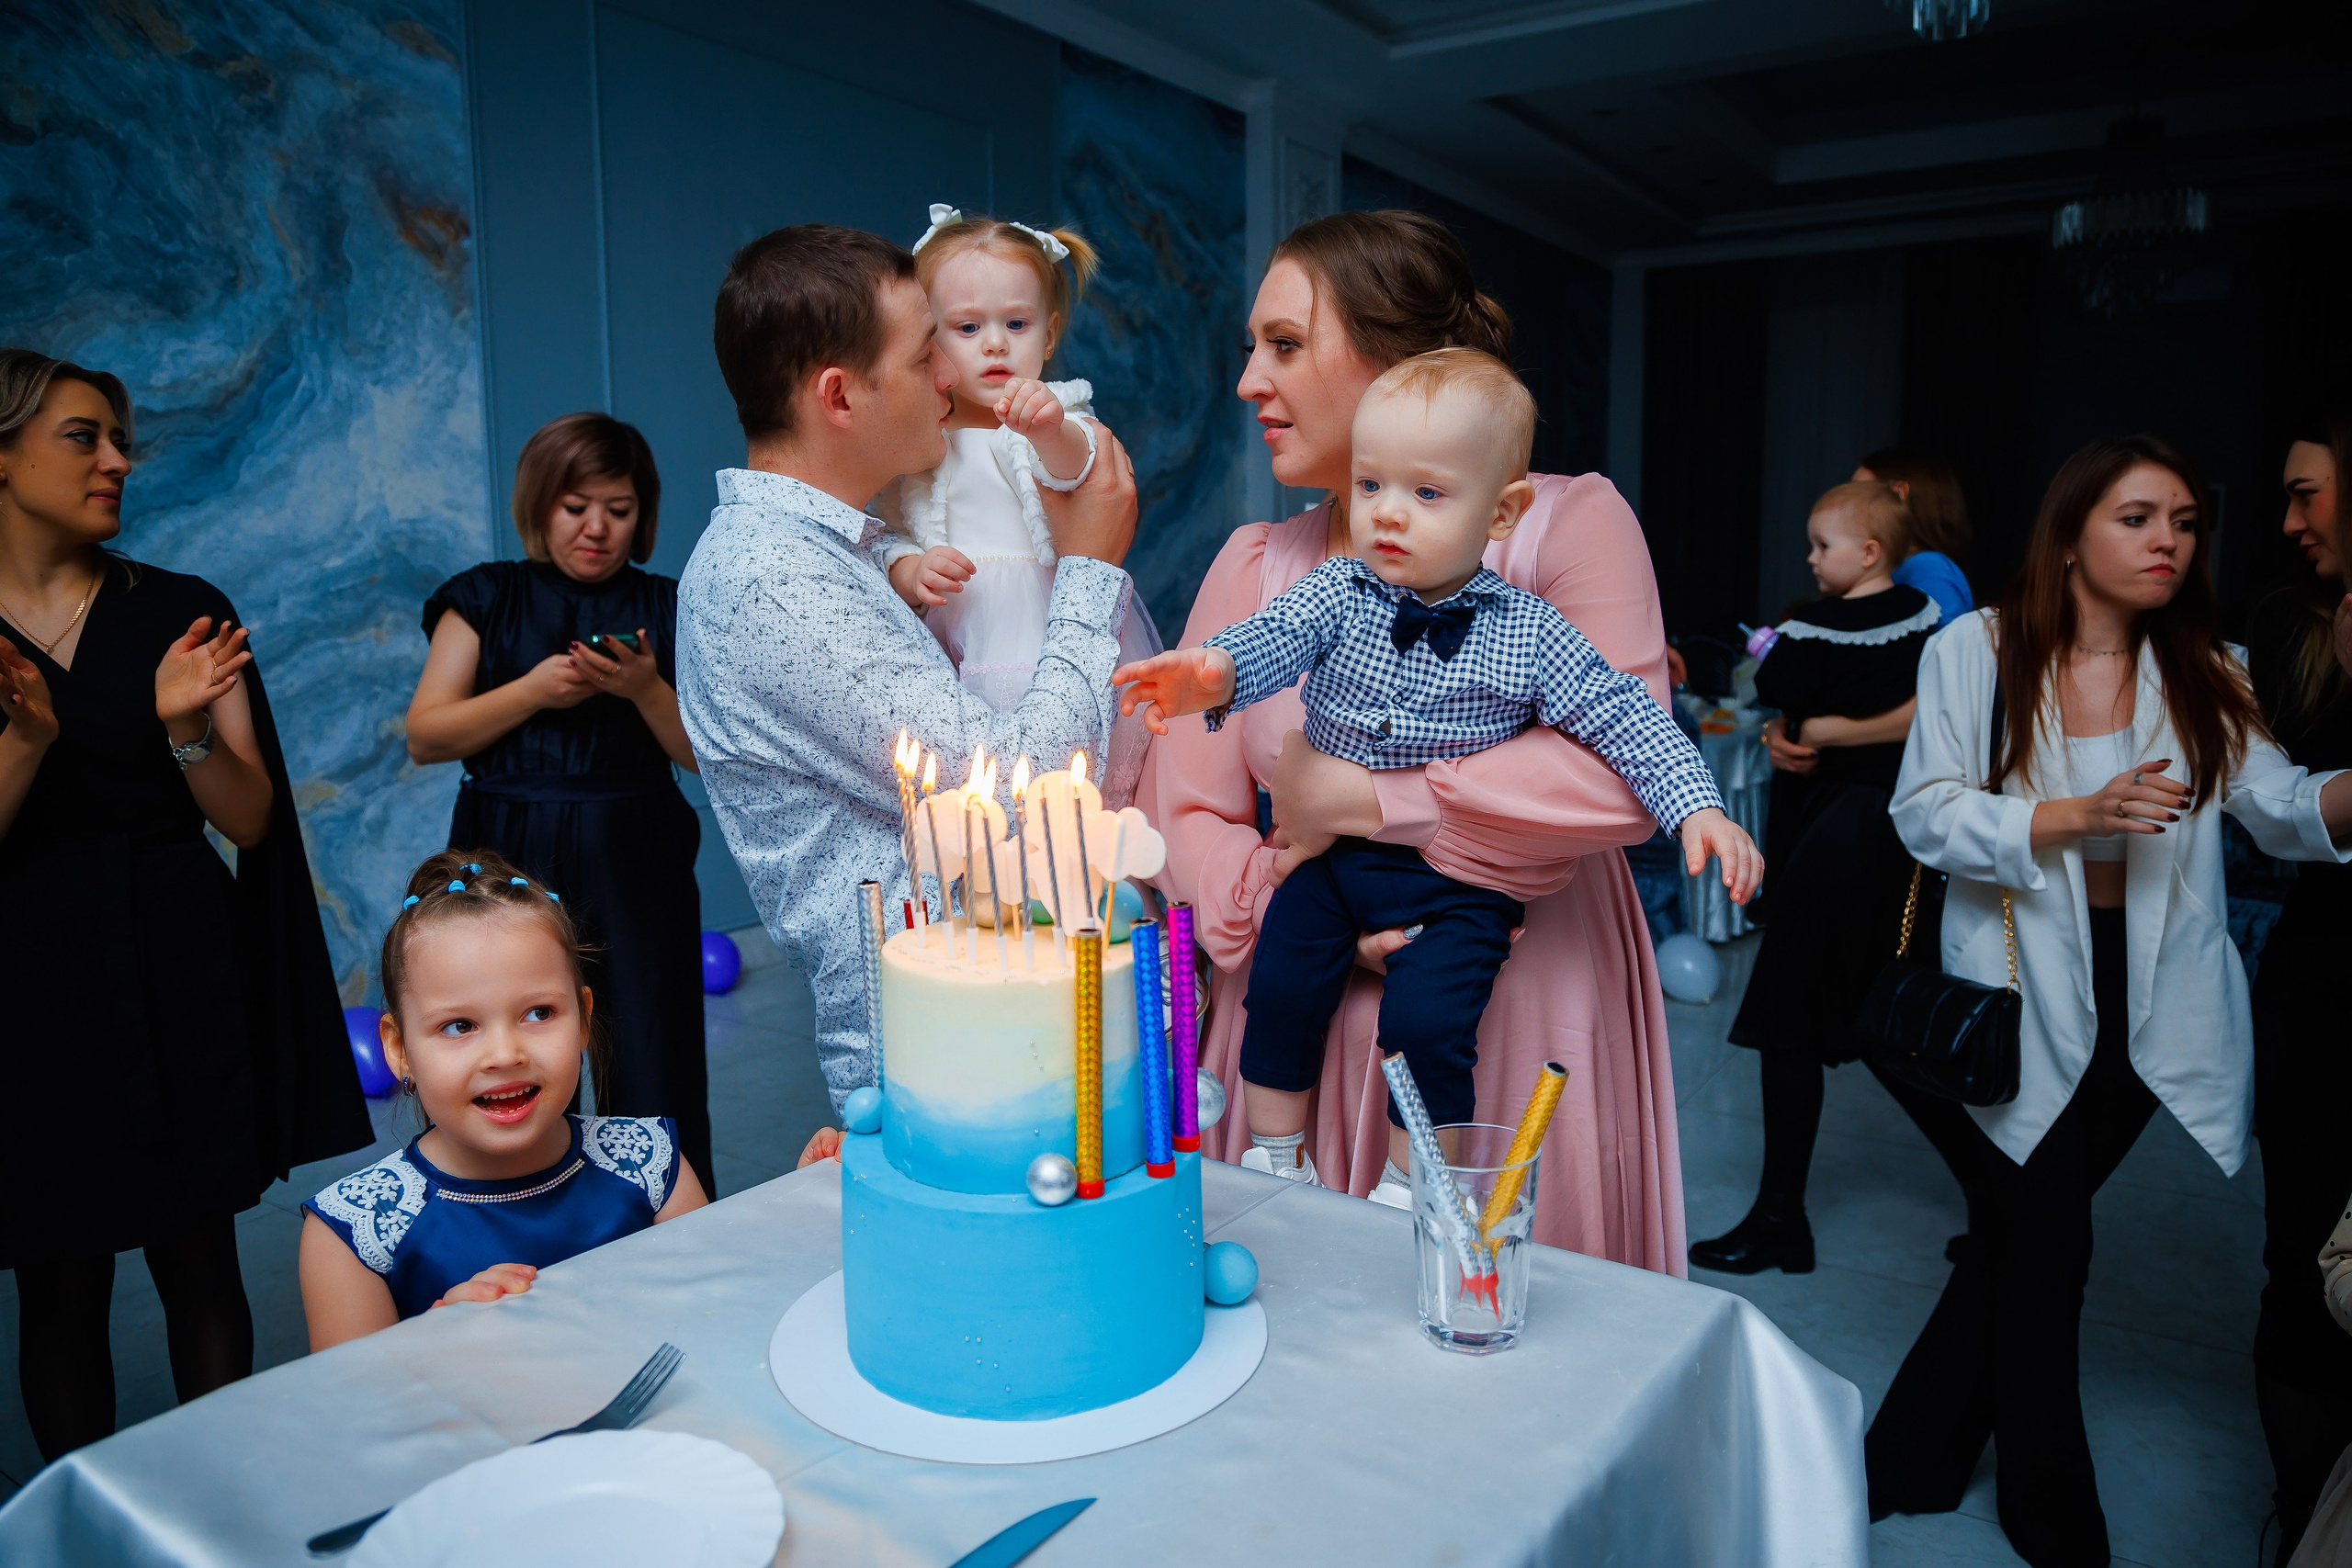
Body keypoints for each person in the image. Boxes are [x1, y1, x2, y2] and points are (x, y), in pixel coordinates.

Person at [1140, 209, 1694, 1272]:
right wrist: (1296, 904)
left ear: (1402, 360)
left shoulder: (1561, 526)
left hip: (1511, 998)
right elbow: (1184, 809)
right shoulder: (1255, 565)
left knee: (1485, 1326)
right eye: (1251, 348)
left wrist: (1367, 807)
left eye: (1287, 345)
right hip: (1300, 1002)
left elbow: (1621, 773)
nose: (1251, 381)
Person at [1870, 435, 2352, 1566]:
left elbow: (2280, 805)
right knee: (2046, 1243)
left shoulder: (2209, 669)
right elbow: (1925, 813)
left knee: (2019, 1238)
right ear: (2073, 532)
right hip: (2013, 989)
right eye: (2138, 518)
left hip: (2150, 1006)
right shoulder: (1974, 651)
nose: (2168, 543)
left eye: (2184, 522)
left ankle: (1908, 1456)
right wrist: (2070, 817)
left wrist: (2343, 795)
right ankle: (2053, 1513)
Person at [675, 224, 1138, 1115]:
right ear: (840, 397)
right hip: (940, 1056)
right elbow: (1019, 794)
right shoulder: (771, 581)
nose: (950, 377)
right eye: (928, 353)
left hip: (992, 1005)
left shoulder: (851, 549)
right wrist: (1090, 571)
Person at [0, 349, 371, 1458]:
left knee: (199, 1255)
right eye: (84, 437)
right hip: (28, 983)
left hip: (179, 966)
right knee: (54, 1284)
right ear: (4, 456)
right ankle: (80, 1519)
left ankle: (214, 1504)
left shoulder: (183, 613)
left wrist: (185, 731)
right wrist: (24, 740)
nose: (118, 461)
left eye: (121, 440)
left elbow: (251, 822)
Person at [404, 412, 712, 1197]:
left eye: (619, 508)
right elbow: (427, 734)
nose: (598, 529)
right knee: (511, 1051)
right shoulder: (485, 595)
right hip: (508, 843)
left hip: (634, 845)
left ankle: (671, 1220)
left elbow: (701, 756)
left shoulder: (666, 604)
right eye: (577, 507)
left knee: (651, 1044)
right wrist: (534, 689)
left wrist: (644, 688)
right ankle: (504, 1211)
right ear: (540, 506)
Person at [299, 851, 709, 1350]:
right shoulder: (352, 1234)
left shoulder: (650, 1164)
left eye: (538, 1013)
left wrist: (810, 1199)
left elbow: (717, 1323)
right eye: (459, 1026)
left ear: (582, 1016)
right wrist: (437, 1350)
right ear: (399, 1049)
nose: (505, 1054)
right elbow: (351, 1416)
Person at [1690, 480, 1939, 1274]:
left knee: (1794, 1013)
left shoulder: (1817, 623)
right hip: (1885, 831)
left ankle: (1780, 1220)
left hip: (1838, 832)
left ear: (1867, 553)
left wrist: (1805, 717)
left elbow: (1777, 686)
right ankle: (2003, 1191)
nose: (1809, 558)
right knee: (1863, 1016)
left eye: (1820, 545)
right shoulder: (1931, 627)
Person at [876, 207, 1162, 807]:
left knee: (1064, 780)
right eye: (968, 328)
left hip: (1037, 619)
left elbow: (1080, 470)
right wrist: (910, 569)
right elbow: (890, 528)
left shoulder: (1056, 410)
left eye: (1016, 323)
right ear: (929, 341)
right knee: (975, 784)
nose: (996, 344)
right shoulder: (922, 436)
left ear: (1050, 333)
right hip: (955, 622)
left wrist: (1049, 430)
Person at [2245, 407, 2352, 1559]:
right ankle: (2305, 1516)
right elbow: (2268, 805)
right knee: (2306, 1262)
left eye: (2307, 493)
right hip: (2328, 987)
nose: (2287, 522)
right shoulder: (2285, 626)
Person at [1857, 446, 1973, 626]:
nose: (1848, 506)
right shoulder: (1908, 568)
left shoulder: (1928, 570)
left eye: (1858, 493)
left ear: (1897, 495)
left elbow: (1938, 649)